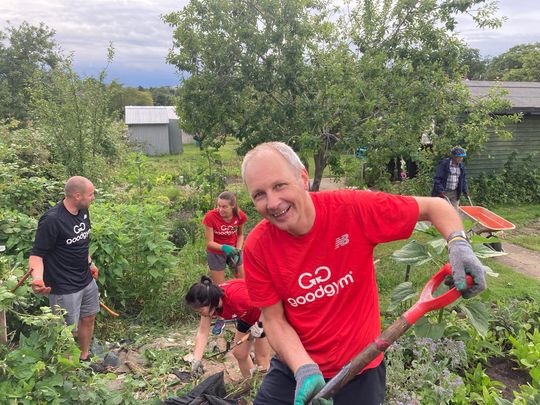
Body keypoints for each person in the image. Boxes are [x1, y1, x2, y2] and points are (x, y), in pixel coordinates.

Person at [240, 142, 486, 405]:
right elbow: (274, 319)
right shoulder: (257, 247)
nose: (273, 202)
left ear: (302, 177)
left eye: (279, 186)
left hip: (361, 370)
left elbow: (436, 207)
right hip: (295, 368)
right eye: (259, 195)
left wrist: (458, 243)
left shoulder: (352, 210)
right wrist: (304, 368)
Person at [28, 176, 99, 362]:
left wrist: (90, 263)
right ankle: (68, 371)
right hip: (64, 286)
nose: (93, 198)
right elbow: (37, 255)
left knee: (89, 318)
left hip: (86, 280)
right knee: (66, 332)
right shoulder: (52, 220)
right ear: (77, 195)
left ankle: (84, 358)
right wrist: (38, 279)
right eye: (90, 194)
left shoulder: (83, 211)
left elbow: (81, 242)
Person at [186, 276, 271, 378]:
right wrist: (196, 360)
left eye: (200, 310)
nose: (200, 313)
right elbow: (203, 333)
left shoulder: (238, 296)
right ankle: (250, 384)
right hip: (246, 317)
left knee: (261, 359)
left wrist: (260, 324)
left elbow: (268, 304)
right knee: (239, 354)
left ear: (209, 302)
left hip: (265, 315)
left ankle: (265, 388)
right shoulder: (210, 307)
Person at [203, 191, 247, 284]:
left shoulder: (240, 216)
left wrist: (238, 250)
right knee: (221, 286)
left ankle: (241, 297)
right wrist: (225, 247)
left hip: (233, 250)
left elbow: (240, 235)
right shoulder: (210, 217)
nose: (220, 209)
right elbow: (209, 243)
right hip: (216, 253)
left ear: (233, 206)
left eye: (224, 207)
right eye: (219, 206)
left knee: (243, 280)